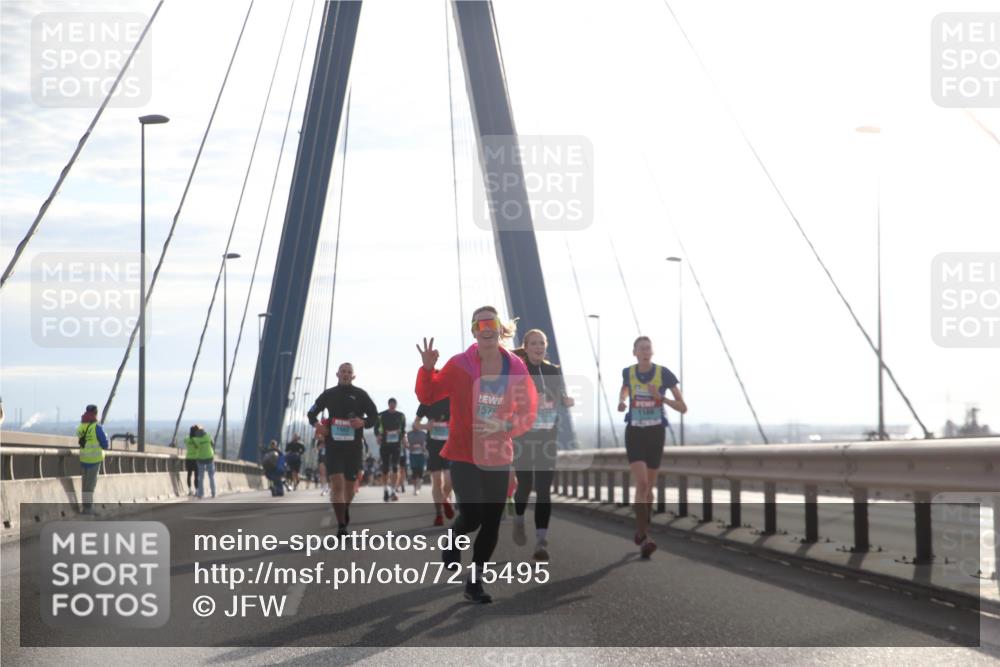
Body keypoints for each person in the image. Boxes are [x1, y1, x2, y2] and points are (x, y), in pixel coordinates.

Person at [416, 305, 538, 603]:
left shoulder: (516, 368)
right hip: (463, 452)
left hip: (498, 453)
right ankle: (454, 536)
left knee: (492, 520)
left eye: (491, 324)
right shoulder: (459, 364)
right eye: (480, 325)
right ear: (473, 331)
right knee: (472, 516)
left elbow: (528, 410)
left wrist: (506, 425)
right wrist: (428, 369)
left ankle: (475, 581)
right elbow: (429, 395)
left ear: (500, 329)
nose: (486, 329)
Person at [617, 336, 687, 559]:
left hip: (656, 434)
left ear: (652, 352)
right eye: (642, 348)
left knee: (649, 489)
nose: (646, 351)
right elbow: (625, 389)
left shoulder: (664, 374)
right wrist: (622, 400)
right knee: (642, 483)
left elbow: (683, 407)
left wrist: (661, 399)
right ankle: (645, 536)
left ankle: (642, 529)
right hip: (635, 432)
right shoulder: (628, 372)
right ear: (635, 352)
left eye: (649, 348)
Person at [511, 329, 575, 561]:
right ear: (526, 347)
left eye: (542, 343)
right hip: (524, 437)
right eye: (534, 343)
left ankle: (541, 540)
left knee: (544, 488)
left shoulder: (553, 371)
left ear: (546, 346)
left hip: (547, 437)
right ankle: (519, 519)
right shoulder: (519, 371)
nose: (539, 347)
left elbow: (559, 397)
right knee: (525, 484)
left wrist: (566, 401)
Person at [307, 362, 378, 538]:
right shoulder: (329, 394)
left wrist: (363, 422)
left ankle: (344, 508)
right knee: (337, 485)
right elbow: (311, 413)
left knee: (350, 489)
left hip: (354, 449)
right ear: (337, 374)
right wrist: (318, 425)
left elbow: (375, 416)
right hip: (334, 447)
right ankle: (341, 526)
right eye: (343, 371)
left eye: (349, 372)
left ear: (353, 376)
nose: (346, 374)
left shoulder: (360, 395)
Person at [415, 398, 455, 526]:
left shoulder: (453, 398)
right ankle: (439, 514)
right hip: (433, 446)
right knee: (437, 481)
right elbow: (416, 423)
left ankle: (445, 500)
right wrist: (426, 426)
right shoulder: (427, 400)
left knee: (449, 481)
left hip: (450, 445)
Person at [76, 404, 109, 515]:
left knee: (85, 484)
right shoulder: (97, 427)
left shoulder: (81, 426)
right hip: (94, 460)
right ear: (95, 413)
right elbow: (105, 444)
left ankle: (85, 507)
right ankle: (88, 508)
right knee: (90, 485)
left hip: (84, 458)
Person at [375, 398, 407, 502]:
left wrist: (404, 439)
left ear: (396, 405)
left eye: (394, 404)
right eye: (391, 404)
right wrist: (378, 436)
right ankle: (385, 490)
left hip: (396, 445)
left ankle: (393, 491)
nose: (392, 406)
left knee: (395, 467)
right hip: (385, 444)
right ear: (388, 404)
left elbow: (403, 430)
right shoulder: (381, 415)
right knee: (385, 468)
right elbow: (376, 428)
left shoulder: (401, 415)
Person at [186, 425, 216, 499]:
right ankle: (213, 493)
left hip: (200, 458)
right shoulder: (208, 436)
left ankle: (201, 494)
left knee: (200, 477)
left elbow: (196, 447)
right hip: (209, 457)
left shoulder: (195, 439)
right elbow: (212, 444)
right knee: (211, 477)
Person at [407, 426, 427, 495]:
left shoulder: (423, 434)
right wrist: (411, 446)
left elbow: (426, 444)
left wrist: (423, 447)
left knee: (420, 471)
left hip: (421, 455)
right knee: (414, 472)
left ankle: (419, 485)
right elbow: (406, 444)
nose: (415, 427)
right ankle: (415, 489)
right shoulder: (409, 434)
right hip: (413, 455)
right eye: (414, 426)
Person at [314, 420, 329, 495]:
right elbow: (316, 438)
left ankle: (330, 487)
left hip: (331, 455)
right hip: (322, 455)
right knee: (322, 471)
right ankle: (324, 488)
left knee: (330, 472)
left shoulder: (331, 432)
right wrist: (318, 448)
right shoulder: (319, 432)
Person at [183, 426, 199, 496]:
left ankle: (189, 490)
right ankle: (197, 490)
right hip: (196, 459)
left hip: (188, 459)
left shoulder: (187, 438)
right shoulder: (197, 439)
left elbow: (184, 440)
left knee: (189, 475)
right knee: (196, 475)